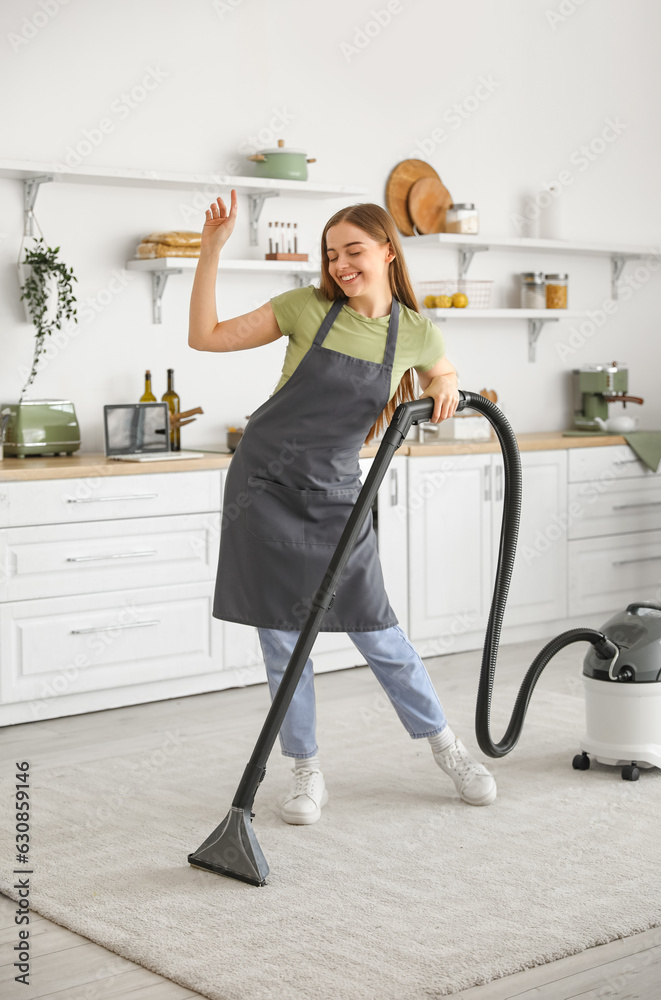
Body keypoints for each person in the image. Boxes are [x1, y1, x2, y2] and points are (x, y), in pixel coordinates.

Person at [188, 191, 496, 825]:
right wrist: (211, 252)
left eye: (353, 251)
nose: (340, 266)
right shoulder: (307, 308)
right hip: (264, 487)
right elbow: (206, 337)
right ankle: (305, 772)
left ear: (387, 250)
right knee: (281, 640)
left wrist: (442, 384)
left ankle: (449, 751)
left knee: (378, 632)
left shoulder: (414, 330)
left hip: (334, 494)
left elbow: (444, 369)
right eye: (331, 256)